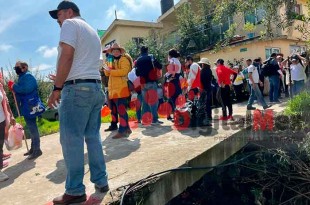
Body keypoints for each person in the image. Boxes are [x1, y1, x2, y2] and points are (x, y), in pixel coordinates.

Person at [48, 1, 109, 204]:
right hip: (94, 87)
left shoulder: (70, 24)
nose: (58, 20)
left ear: (69, 12)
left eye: (59, 15)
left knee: (71, 139)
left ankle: (74, 190)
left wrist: (57, 88)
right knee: (92, 136)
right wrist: (61, 79)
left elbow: (67, 55)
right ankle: (101, 181)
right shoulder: (92, 32)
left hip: (77, 90)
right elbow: (91, 63)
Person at [8, 61, 43, 160]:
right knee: (31, 128)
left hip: (31, 105)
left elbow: (25, 89)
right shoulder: (22, 77)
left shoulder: (28, 76)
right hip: (27, 106)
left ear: (24, 67)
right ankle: (33, 148)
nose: (16, 70)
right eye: (15, 68)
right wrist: (14, 89)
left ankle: (37, 150)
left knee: (33, 128)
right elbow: (21, 91)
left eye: (17, 67)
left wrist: (14, 86)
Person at [104, 43, 132, 138]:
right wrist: (109, 62)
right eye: (113, 51)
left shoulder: (123, 59)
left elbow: (124, 71)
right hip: (114, 90)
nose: (115, 52)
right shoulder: (112, 60)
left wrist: (110, 71)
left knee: (121, 110)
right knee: (121, 110)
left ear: (120, 51)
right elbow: (107, 73)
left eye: (117, 50)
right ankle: (127, 128)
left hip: (121, 89)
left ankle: (122, 130)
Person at [136, 46, 163, 125]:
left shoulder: (138, 60)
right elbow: (159, 66)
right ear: (147, 50)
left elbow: (137, 73)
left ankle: (144, 120)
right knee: (153, 101)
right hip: (151, 82)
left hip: (143, 84)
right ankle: (154, 120)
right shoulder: (151, 57)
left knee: (145, 102)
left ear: (140, 51)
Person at [0, 74, 15, 182]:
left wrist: (10, 115)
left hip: (1, 120)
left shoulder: (0, 86)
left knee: (0, 145)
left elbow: (5, 101)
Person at [164, 49, 182, 121]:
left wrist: (170, 77)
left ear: (170, 55)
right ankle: (169, 115)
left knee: (173, 98)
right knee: (173, 98)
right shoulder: (178, 61)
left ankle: (176, 116)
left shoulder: (172, 60)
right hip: (177, 80)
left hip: (173, 80)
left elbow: (172, 69)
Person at [198, 58, 213, 125]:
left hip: (204, 89)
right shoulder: (209, 70)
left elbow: (201, 80)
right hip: (209, 88)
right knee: (208, 103)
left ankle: (206, 117)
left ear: (203, 64)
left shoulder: (202, 71)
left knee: (204, 104)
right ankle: (209, 116)